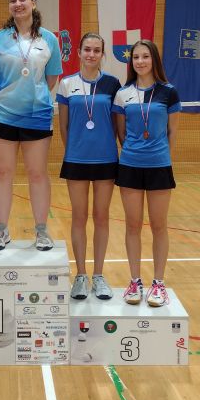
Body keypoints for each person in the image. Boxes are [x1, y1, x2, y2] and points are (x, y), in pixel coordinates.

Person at [0, 0, 63, 251]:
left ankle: (41, 230)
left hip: (36, 116)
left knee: (37, 173)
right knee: (2, 173)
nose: (18, 4)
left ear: (33, 2)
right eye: (13, 0)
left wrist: (33, 96)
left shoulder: (49, 39)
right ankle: (1, 229)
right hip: (1, 115)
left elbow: (51, 78)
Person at [112, 40, 181, 307]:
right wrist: (134, 151)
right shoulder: (123, 94)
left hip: (159, 167)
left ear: (154, 60)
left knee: (159, 225)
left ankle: (159, 283)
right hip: (130, 165)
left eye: (145, 56)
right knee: (132, 225)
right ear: (131, 62)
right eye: (136, 57)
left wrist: (161, 156)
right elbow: (120, 132)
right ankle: (135, 281)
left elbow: (172, 132)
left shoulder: (168, 92)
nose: (140, 61)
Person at [57, 33, 121, 300]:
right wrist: (75, 149)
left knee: (101, 216)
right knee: (79, 217)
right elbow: (63, 126)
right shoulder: (66, 84)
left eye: (96, 50)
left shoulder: (112, 84)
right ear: (79, 52)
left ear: (102, 54)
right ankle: (81, 275)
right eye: (87, 49)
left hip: (106, 159)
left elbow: (117, 124)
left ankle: (99, 276)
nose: (91, 54)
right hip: (77, 160)